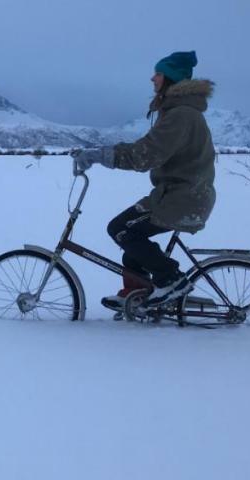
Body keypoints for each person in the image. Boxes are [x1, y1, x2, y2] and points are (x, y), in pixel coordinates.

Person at [71, 51, 216, 311]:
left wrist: (101, 155)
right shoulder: (180, 112)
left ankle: (171, 280)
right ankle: (136, 294)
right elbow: (148, 149)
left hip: (181, 198)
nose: (152, 78)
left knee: (121, 229)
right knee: (133, 245)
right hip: (181, 195)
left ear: (170, 78)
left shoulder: (180, 114)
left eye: (158, 73)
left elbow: (144, 155)